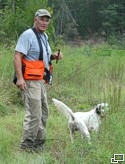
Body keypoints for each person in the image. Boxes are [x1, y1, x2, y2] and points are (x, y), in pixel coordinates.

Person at [13, 9, 63, 152]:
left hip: (41, 80)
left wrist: (54, 56)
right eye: (41, 19)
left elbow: (41, 56)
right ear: (35, 19)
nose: (44, 22)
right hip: (29, 80)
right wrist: (20, 78)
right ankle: (25, 148)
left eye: (47, 20)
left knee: (44, 113)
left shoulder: (44, 36)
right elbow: (17, 56)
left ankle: (38, 145)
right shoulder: (27, 35)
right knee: (34, 114)